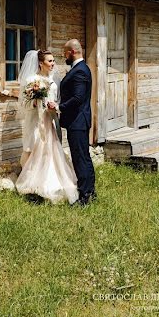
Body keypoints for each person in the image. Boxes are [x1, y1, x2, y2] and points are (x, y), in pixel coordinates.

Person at [15, 49, 78, 205]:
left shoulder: (52, 83)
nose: (53, 64)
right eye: (49, 61)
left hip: (48, 121)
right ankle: (30, 184)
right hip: (34, 120)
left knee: (48, 151)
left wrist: (54, 107)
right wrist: (36, 101)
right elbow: (24, 104)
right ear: (40, 63)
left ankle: (48, 183)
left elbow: (55, 102)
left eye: (53, 61)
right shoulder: (31, 80)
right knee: (32, 148)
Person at [49, 39, 96, 205]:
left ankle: (84, 196)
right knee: (83, 157)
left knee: (80, 158)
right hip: (77, 121)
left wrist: (59, 107)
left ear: (72, 52)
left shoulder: (80, 71)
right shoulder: (78, 69)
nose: (63, 55)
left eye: (65, 52)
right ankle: (90, 191)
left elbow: (78, 98)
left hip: (78, 122)